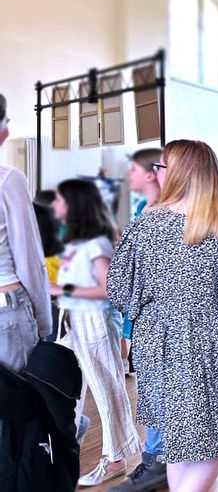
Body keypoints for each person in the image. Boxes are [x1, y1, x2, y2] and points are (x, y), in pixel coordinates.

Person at [108, 139, 218, 491]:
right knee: (217, 433)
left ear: (178, 172)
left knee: (175, 435)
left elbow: (118, 289)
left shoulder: (145, 224)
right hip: (209, 338)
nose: (157, 173)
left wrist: (150, 308)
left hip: (155, 339)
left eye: (160, 166)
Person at [50, 179, 140, 487]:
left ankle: (115, 458)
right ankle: (67, 440)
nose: (54, 205)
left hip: (94, 321)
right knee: (63, 385)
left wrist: (62, 289)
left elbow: (107, 289)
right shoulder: (75, 241)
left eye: (59, 199)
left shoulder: (95, 242)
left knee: (106, 387)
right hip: (72, 320)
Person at [110, 147, 169, 492]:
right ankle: (156, 456)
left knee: (158, 387)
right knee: (150, 387)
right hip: (142, 311)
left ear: (150, 173)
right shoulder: (140, 210)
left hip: (158, 313)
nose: (127, 175)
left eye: (132, 169)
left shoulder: (163, 213)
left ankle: (156, 457)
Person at [0, 92, 51, 374]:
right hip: (6, 307)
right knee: (21, 396)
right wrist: (44, 324)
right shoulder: (8, 179)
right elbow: (29, 259)